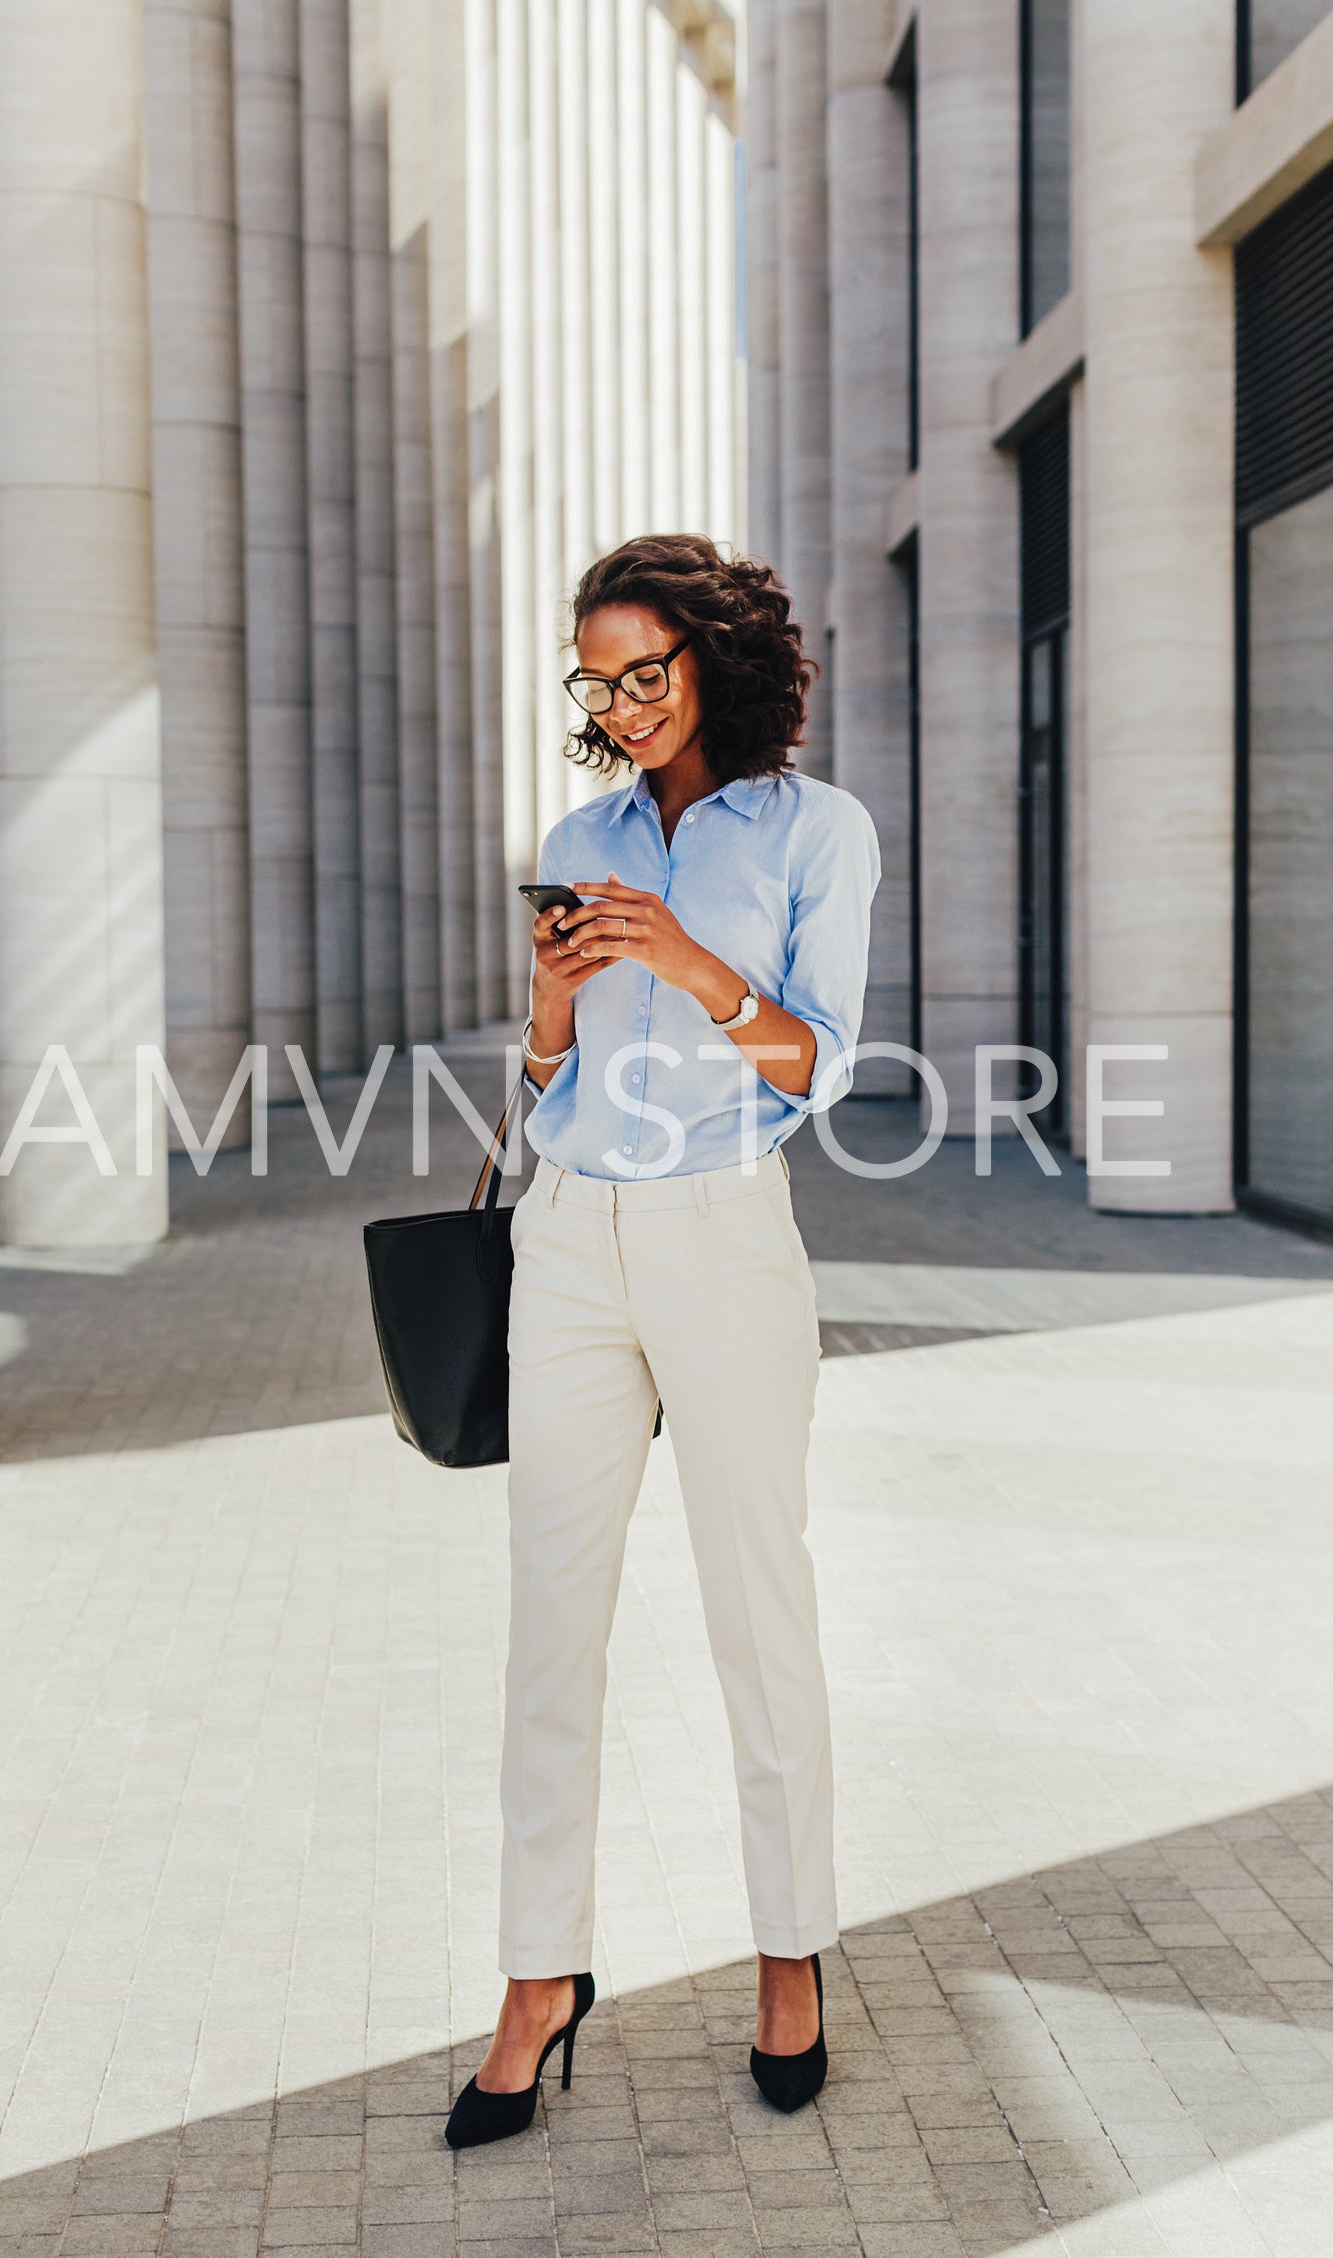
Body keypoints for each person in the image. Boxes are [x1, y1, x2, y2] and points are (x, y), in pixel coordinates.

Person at [445, 532, 881, 2150]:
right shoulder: (578, 832)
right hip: (568, 1236)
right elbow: (550, 1085)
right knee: (549, 1620)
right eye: (597, 674)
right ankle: (536, 1974)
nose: (622, 702)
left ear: (714, 659)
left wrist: (687, 962)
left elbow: (813, 1068)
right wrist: (556, 1003)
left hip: (719, 1230)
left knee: (759, 1609)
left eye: (648, 669)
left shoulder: (815, 828)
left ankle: (789, 1953)